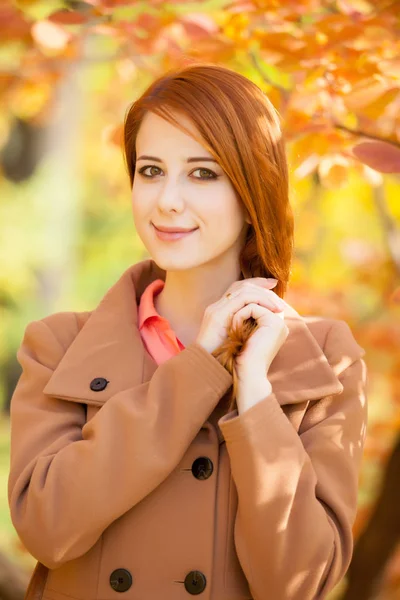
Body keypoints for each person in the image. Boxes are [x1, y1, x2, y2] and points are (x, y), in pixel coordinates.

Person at [8, 63, 368, 600]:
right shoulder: (57, 346)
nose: (167, 200)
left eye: (203, 173)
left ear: (252, 189)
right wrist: (198, 367)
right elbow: (47, 529)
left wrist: (255, 395)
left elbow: (300, 582)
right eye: (150, 170)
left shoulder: (324, 358)